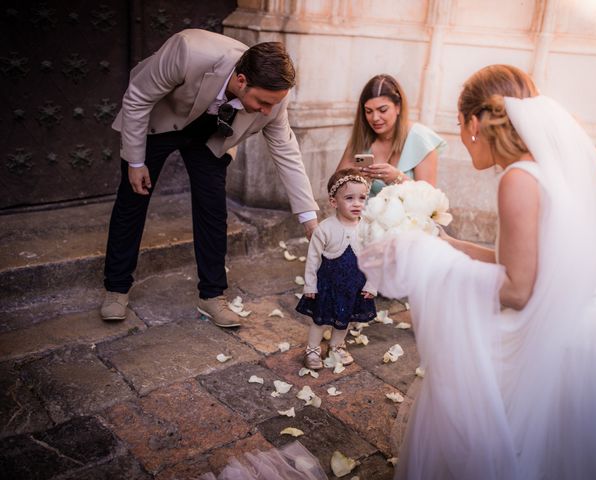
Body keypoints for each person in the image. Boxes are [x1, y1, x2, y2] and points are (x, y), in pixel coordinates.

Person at [359, 65, 596, 479]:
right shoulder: (557, 165)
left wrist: (430, 261)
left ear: (475, 122)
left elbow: (518, 290)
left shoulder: (519, 178)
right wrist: (447, 244)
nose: (461, 139)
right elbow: (530, 261)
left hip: (570, 343)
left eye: (458, 125)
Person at [100, 29, 319, 326]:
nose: (268, 111)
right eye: (263, 102)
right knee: (133, 197)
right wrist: (135, 162)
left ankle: (212, 295)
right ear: (241, 80)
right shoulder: (187, 52)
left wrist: (308, 218)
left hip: (212, 134)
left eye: (273, 104)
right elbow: (138, 96)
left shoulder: (274, 98)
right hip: (161, 119)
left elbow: (285, 149)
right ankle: (116, 288)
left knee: (214, 208)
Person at [295, 168, 377, 369]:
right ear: (334, 202)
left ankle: (336, 346)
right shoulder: (325, 228)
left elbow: (375, 259)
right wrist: (310, 286)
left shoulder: (368, 228)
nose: (357, 203)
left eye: (362, 198)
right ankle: (313, 349)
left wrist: (372, 284)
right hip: (327, 284)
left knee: (345, 317)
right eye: (349, 198)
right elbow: (313, 259)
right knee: (319, 319)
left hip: (354, 285)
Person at [336, 74, 446, 196]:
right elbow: (335, 187)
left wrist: (397, 177)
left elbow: (429, 198)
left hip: (406, 214)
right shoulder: (362, 136)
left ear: (398, 107)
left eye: (382, 110)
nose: (375, 118)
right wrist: (354, 178)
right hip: (362, 213)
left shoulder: (421, 139)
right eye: (368, 111)